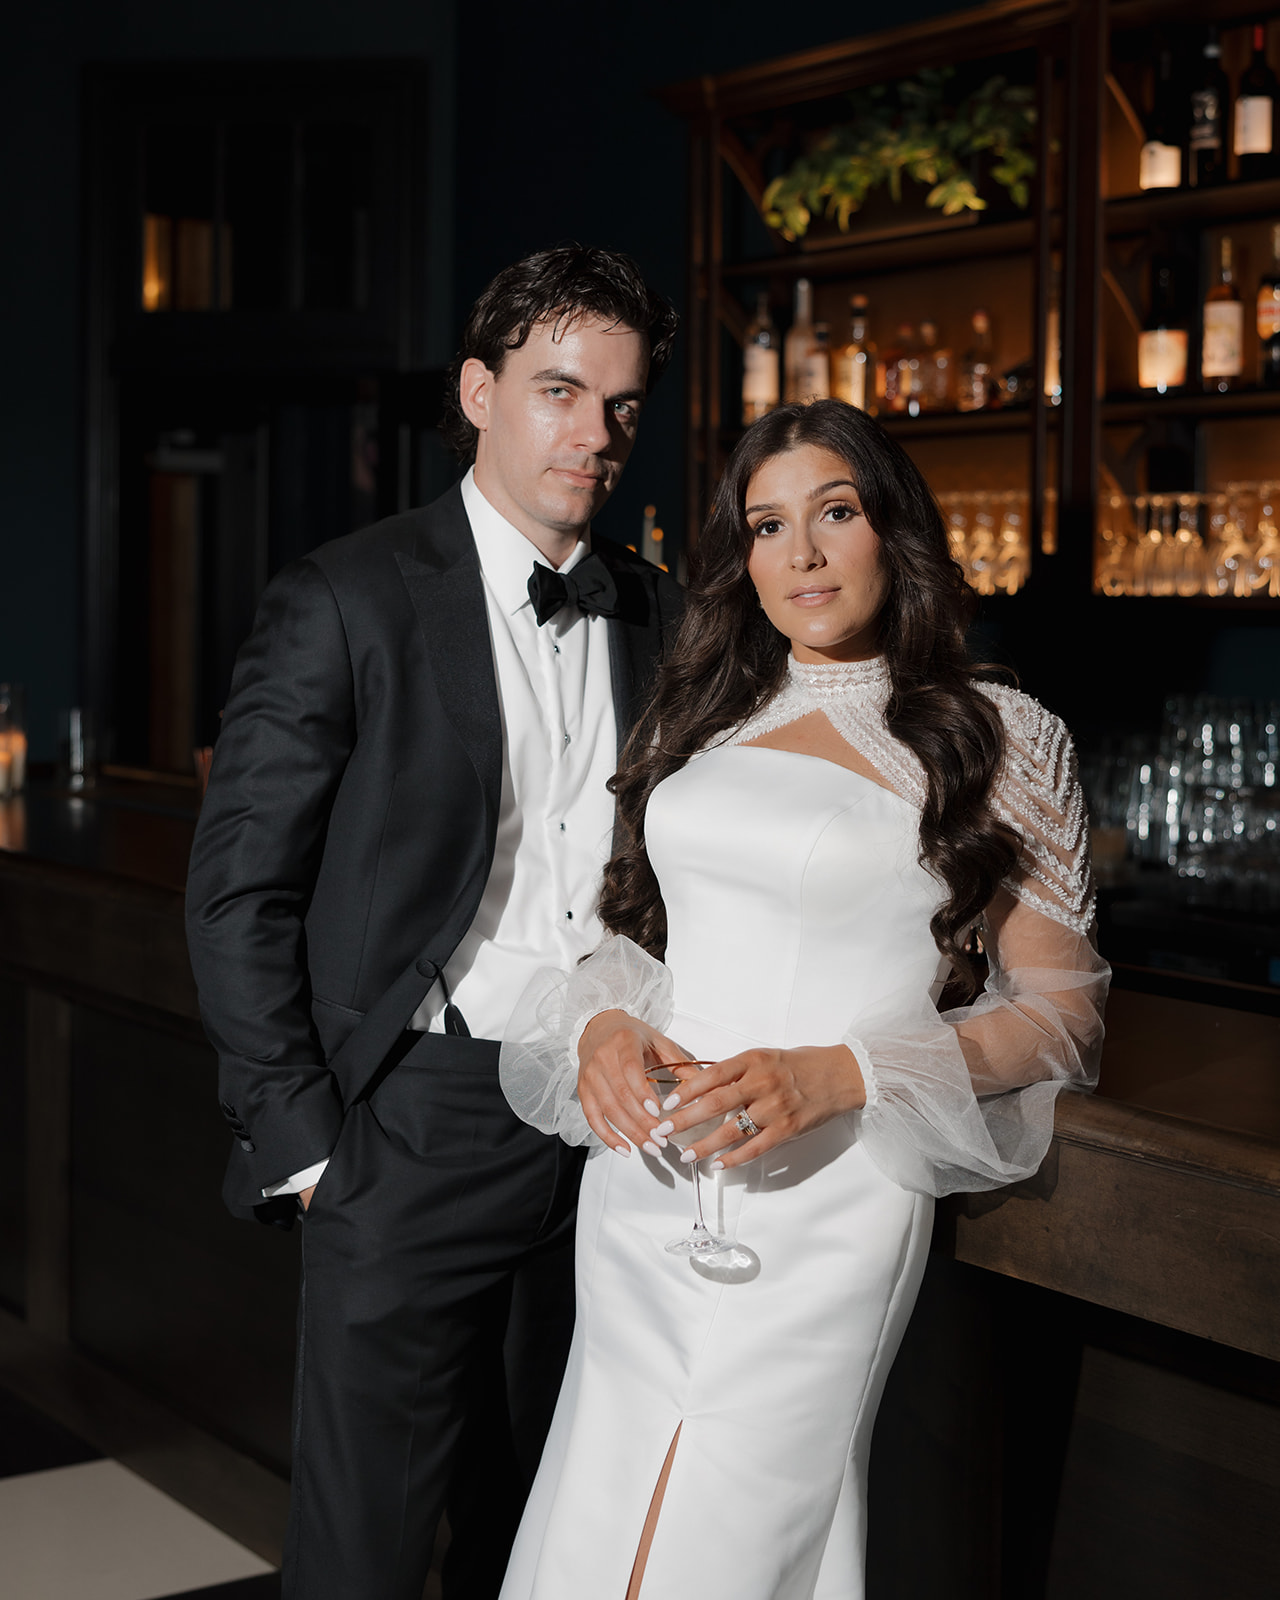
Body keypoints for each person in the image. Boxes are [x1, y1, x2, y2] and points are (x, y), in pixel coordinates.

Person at [497, 398, 1109, 1600]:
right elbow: (640, 936)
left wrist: (842, 1072)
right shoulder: (705, 709)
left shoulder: (1000, 734)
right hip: (650, 1173)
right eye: (768, 526)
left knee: (735, 1536)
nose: (803, 554)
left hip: (827, 1188)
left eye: (834, 513)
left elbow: (1062, 1011)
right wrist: (602, 1022)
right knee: (596, 1500)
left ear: (892, 530)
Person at [184, 244, 682, 1600]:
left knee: (542, 1534)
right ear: (478, 391)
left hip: (605, 1145)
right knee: (368, 1556)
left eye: (622, 405)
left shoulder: (657, 606)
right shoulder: (346, 595)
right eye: (559, 392)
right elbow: (238, 890)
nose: (593, 435)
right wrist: (306, 1148)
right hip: (411, 1125)